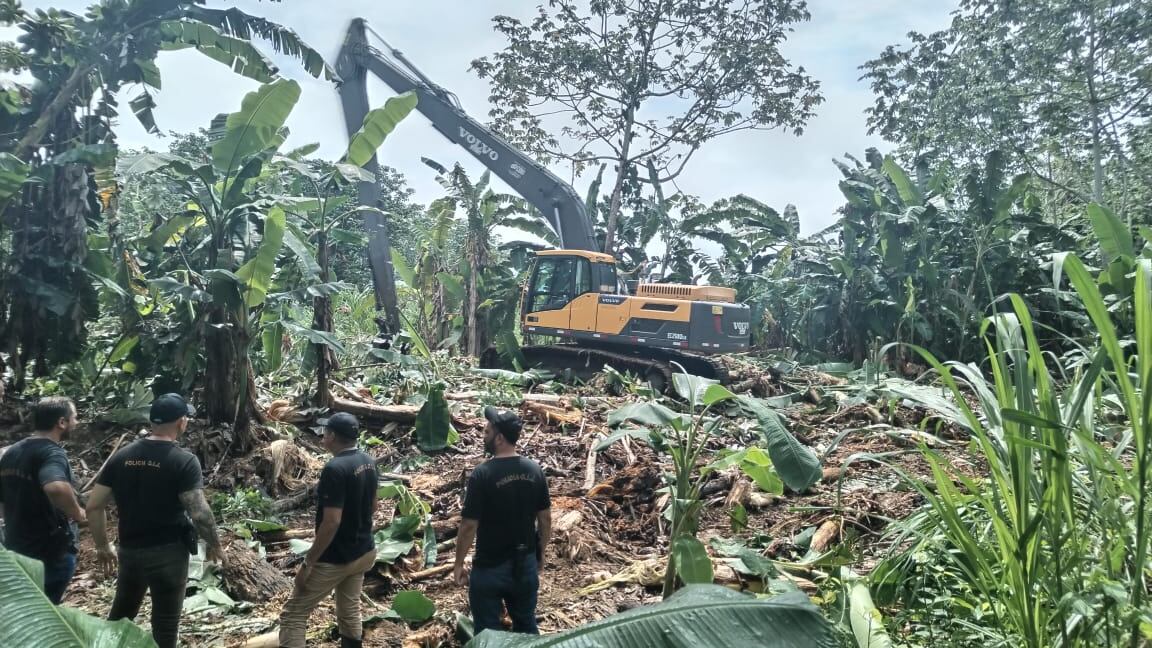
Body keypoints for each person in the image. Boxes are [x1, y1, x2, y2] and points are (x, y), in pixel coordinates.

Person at [86, 392, 225, 648]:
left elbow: (94, 506)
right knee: (165, 623)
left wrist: (103, 546)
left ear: (152, 421)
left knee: (121, 617)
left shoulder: (121, 456)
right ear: (181, 422)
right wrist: (215, 544)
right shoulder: (183, 461)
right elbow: (199, 512)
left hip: (129, 550)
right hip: (168, 553)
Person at [279, 412, 380, 648]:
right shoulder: (368, 461)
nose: (323, 436)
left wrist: (309, 562)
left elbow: (331, 521)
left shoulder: (334, 469)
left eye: (325, 432)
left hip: (337, 558)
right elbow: (374, 506)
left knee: (293, 614)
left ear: (332, 435)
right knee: (349, 609)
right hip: (364, 551)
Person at [454, 406, 552, 635]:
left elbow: (469, 525)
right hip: (524, 563)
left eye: (487, 432)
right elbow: (545, 518)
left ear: (499, 438)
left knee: (488, 633)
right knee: (526, 626)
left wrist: (458, 563)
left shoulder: (483, 474)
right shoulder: (534, 470)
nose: (483, 435)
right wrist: (540, 552)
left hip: (490, 568)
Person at [0, 396, 86, 604]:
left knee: (24, 610)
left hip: (18, 548)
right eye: (74, 418)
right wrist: (78, 513)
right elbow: (55, 487)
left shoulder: (12, 452)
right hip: (48, 552)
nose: (77, 423)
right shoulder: (51, 452)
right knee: (45, 613)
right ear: (62, 422)